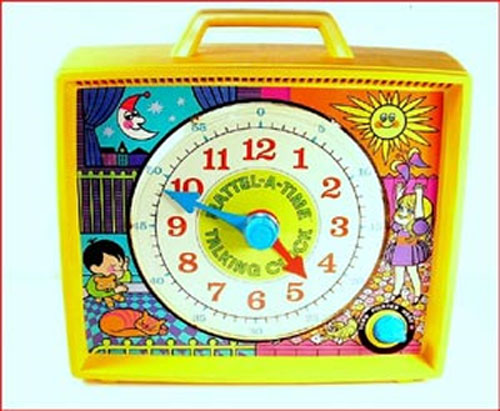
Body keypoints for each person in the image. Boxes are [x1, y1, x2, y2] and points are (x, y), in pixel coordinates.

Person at [384, 183, 433, 304]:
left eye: (408, 210)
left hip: (410, 251)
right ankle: (396, 291)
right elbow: (398, 209)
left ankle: (417, 294)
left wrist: (419, 195)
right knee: (398, 273)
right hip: (399, 250)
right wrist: (399, 194)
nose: (403, 212)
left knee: (413, 272)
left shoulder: (416, 226)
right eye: (402, 209)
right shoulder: (399, 224)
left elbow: (419, 215)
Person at [83, 239, 132, 308]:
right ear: (95, 268)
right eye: (113, 266)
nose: (118, 268)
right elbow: (94, 292)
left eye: (120, 265)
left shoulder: (115, 275)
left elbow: (127, 279)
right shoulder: (95, 280)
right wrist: (115, 291)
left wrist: (124, 269)